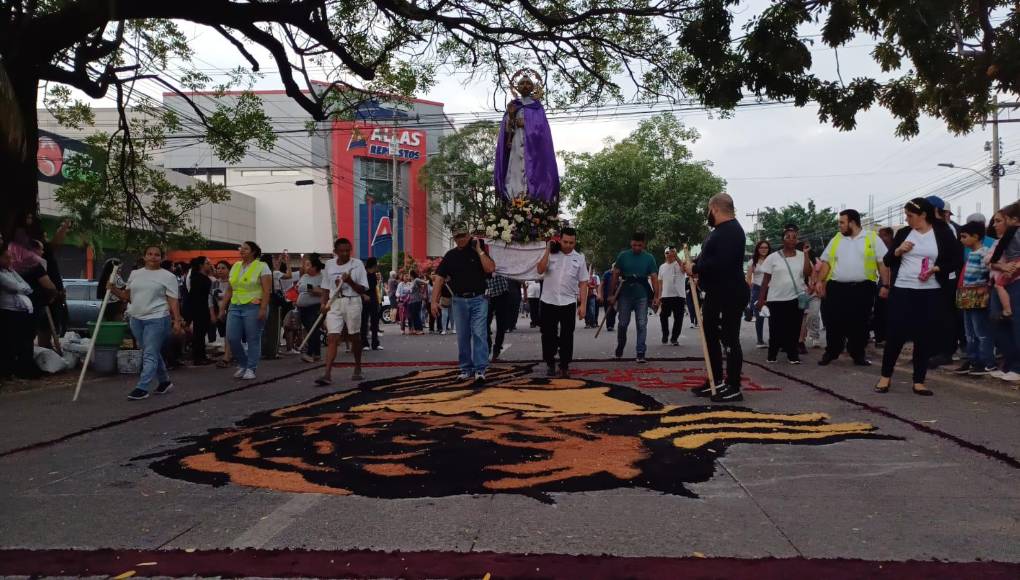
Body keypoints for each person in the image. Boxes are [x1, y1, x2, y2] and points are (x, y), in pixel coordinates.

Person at [876, 198, 963, 396]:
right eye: (906, 215)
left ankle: (919, 380)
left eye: (910, 216)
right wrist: (898, 250)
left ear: (923, 215)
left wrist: (936, 269)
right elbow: (888, 260)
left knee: (924, 336)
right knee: (896, 334)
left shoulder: (942, 233)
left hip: (930, 290)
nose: (907, 219)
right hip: (903, 288)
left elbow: (956, 259)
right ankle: (885, 376)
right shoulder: (904, 233)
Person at [685, 193, 749, 402]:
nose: (707, 214)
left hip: (729, 294)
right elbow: (709, 258)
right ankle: (715, 379)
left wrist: (695, 267)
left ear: (714, 209)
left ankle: (733, 385)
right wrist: (695, 263)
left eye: (708, 210)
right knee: (710, 337)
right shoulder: (720, 232)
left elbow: (720, 264)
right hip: (716, 294)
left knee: (729, 339)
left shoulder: (731, 232)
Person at [107, 246, 184, 400]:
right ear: (144, 256)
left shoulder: (168, 276)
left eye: (157, 255)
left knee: (149, 353)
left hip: (157, 318)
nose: (153, 257)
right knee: (151, 351)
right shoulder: (135, 274)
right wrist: (113, 289)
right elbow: (126, 296)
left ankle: (142, 387)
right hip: (136, 318)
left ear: (161, 258)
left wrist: (177, 320)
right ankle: (164, 382)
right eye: (150, 254)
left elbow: (173, 300)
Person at [815, 209, 890, 366]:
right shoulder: (836, 239)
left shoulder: (872, 238)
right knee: (834, 321)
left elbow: (882, 263)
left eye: (842, 222)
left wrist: (885, 285)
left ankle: (858, 354)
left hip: (863, 288)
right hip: (837, 288)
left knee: (860, 323)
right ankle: (831, 352)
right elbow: (826, 263)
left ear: (853, 222)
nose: (840, 226)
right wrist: (819, 282)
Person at [431, 222, 496, 384]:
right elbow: (439, 278)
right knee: (463, 336)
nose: (461, 239)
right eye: (457, 236)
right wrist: (434, 301)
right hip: (459, 300)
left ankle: (480, 370)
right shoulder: (450, 256)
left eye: (463, 235)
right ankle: (466, 368)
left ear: (469, 235)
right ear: (454, 238)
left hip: (479, 299)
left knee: (479, 333)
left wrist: (479, 250)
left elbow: (490, 269)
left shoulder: (478, 251)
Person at [315, 238, 368, 386]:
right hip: (334, 302)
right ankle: (327, 373)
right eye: (342, 251)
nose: (345, 253)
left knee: (354, 336)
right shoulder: (329, 265)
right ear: (335, 252)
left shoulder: (357, 264)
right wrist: (323, 303)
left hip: (353, 302)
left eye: (347, 250)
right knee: (332, 337)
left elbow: (363, 289)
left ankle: (357, 367)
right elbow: (326, 287)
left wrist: (349, 281)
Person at [536, 228, 588, 377]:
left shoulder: (579, 258)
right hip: (548, 300)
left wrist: (583, 305)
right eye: (565, 242)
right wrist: (547, 250)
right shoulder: (550, 253)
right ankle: (550, 363)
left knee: (567, 335)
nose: (568, 245)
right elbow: (540, 270)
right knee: (548, 334)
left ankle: (564, 365)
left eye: (571, 242)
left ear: (575, 242)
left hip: (568, 302)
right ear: (560, 239)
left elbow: (583, 282)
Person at [757, 227, 812, 364]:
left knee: (794, 327)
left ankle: (792, 355)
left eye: (794, 237)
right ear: (783, 240)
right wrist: (761, 298)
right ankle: (772, 353)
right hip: (776, 299)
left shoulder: (801, 255)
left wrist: (806, 254)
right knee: (776, 328)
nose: (792, 239)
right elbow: (765, 280)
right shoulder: (773, 257)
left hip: (795, 297)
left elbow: (807, 272)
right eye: (788, 236)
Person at [219, 241, 273, 380]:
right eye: (241, 248)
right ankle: (243, 364)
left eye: (245, 248)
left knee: (253, 338)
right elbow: (230, 289)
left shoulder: (262, 266)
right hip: (235, 305)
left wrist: (263, 308)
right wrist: (222, 307)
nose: (241, 250)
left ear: (253, 252)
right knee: (232, 338)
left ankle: (251, 367)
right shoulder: (236, 266)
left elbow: (267, 290)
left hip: (253, 306)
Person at [925, 195, 965, 368]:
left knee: (946, 316)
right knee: (931, 316)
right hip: (927, 280)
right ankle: (931, 350)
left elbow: (954, 258)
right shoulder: (926, 228)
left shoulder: (948, 229)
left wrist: (939, 269)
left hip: (945, 279)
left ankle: (945, 352)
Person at [609, 233, 659, 363]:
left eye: (640, 245)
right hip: (625, 295)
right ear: (631, 243)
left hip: (641, 296)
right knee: (623, 323)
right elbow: (615, 275)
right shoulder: (623, 256)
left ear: (644, 244)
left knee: (642, 324)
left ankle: (641, 352)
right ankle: (621, 345)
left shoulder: (649, 258)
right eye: (634, 245)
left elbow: (654, 277)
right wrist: (611, 294)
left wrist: (656, 296)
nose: (637, 247)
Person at [954, 221, 996, 375]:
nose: (961, 240)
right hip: (968, 296)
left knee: (981, 331)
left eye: (964, 237)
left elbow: (989, 274)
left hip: (978, 296)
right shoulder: (971, 253)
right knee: (969, 331)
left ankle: (986, 362)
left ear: (976, 237)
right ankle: (973, 360)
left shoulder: (984, 253)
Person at [0, 243, 40, 379]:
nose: (11, 261)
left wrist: (20, 287)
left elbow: (26, 286)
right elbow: (13, 286)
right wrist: (20, 287)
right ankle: (8, 371)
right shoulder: (1, 274)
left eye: (11, 257)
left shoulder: (11, 271)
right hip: (8, 311)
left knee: (25, 340)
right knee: (10, 342)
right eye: (7, 258)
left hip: (22, 311)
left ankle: (24, 368)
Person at [296, 254, 326, 363]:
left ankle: (310, 353)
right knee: (311, 330)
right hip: (303, 308)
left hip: (316, 307)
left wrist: (311, 289)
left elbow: (323, 292)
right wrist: (312, 288)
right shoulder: (305, 277)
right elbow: (299, 288)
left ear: (314, 267)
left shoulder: (322, 277)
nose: (306, 267)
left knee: (313, 329)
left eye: (308, 265)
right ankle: (317, 354)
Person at [186, 256, 215, 366]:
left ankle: (201, 356)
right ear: (201, 265)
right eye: (207, 263)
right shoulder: (198, 278)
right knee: (199, 333)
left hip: (201, 308)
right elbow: (197, 296)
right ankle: (198, 357)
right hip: (199, 309)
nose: (210, 265)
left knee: (201, 333)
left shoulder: (200, 277)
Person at [871, 227, 896, 347]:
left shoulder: (895, 250)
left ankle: (889, 337)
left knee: (891, 312)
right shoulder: (878, 250)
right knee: (879, 311)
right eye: (879, 236)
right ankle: (879, 337)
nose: (881, 239)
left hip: (894, 284)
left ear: (890, 236)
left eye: (883, 236)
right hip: (881, 283)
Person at [658, 246, 686, 346]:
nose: (669, 255)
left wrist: (677, 256)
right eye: (667, 253)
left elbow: (684, 269)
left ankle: (674, 338)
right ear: (665, 255)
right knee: (663, 316)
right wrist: (658, 296)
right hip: (666, 296)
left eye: (671, 253)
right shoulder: (662, 267)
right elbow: (660, 283)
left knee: (678, 318)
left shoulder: (679, 264)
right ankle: (665, 334)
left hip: (679, 296)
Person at [745, 240, 771, 348]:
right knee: (759, 316)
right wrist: (751, 288)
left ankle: (774, 339)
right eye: (761, 247)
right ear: (758, 249)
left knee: (772, 316)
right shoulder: (753, 262)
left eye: (766, 247)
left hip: (771, 290)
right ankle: (760, 340)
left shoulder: (772, 260)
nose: (764, 249)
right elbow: (748, 277)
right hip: (757, 290)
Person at [486, 273, 514, 360]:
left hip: (501, 293)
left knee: (501, 325)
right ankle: (488, 345)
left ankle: (497, 348)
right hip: (488, 295)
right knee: (484, 323)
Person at [211, 260, 232, 367]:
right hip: (219, 312)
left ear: (229, 270)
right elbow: (210, 299)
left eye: (223, 268)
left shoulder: (233, 282)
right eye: (218, 268)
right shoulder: (214, 283)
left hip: (231, 311)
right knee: (224, 334)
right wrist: (214, 314)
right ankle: (229, 354)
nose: (220, 270)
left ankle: (227, 357)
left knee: (230, 334)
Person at [360, 257, 383, 350]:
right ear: (373, 264)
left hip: (374, 299)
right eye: (376, 263)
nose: (377, 265)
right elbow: (361, 287)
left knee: (375, 322)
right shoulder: (363, 274)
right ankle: (364, 343)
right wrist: (363, 295)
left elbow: (375, 288)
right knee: (364, 322)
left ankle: (375, 343)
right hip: (364, 299)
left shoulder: (374, 274)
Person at [96, 258, 127, 322]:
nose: (120, 270)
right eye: (119, 268)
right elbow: (124, 293)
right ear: (114, 268)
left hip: (105, 306)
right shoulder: (116, 277)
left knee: (106, 327)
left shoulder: (104, 277)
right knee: (117, 327)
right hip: (116, 307)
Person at [601, 266, 617, 331]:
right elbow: (602, 285)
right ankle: (609, 325)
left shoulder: (619, 274)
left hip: (616, 296)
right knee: (607, 311)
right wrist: (601, 295)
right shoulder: (607, 274)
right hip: (606, 295)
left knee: (614, 311)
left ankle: (612, 325)